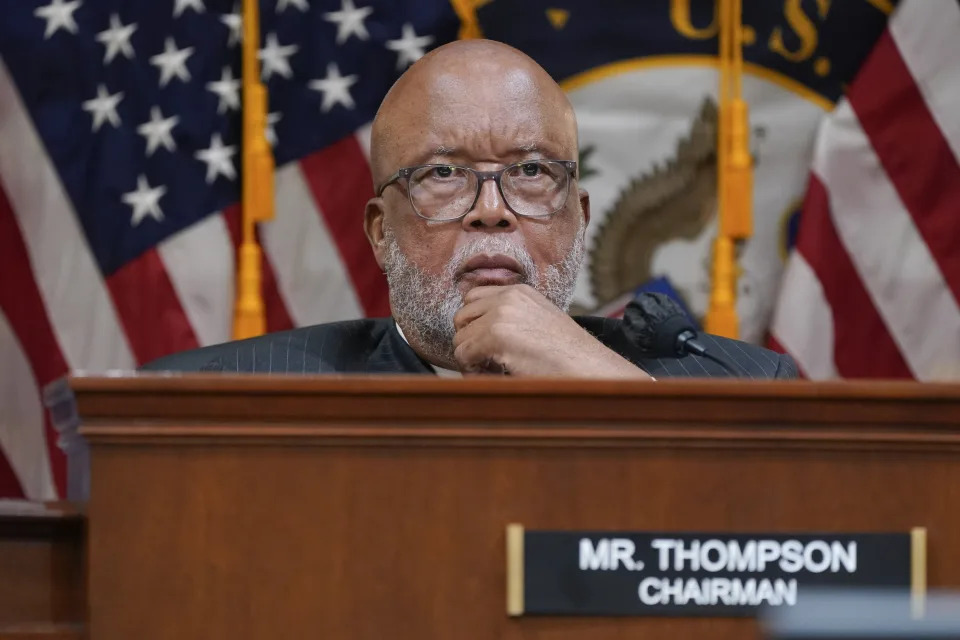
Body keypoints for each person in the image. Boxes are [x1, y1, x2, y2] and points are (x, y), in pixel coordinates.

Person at [143, 40, 796, 379]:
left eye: (533, 171)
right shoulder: (237, 402)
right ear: (379, 231)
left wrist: (600, 381)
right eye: (445, 174)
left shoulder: (742, 386)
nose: (492, 212)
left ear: (580, 217)